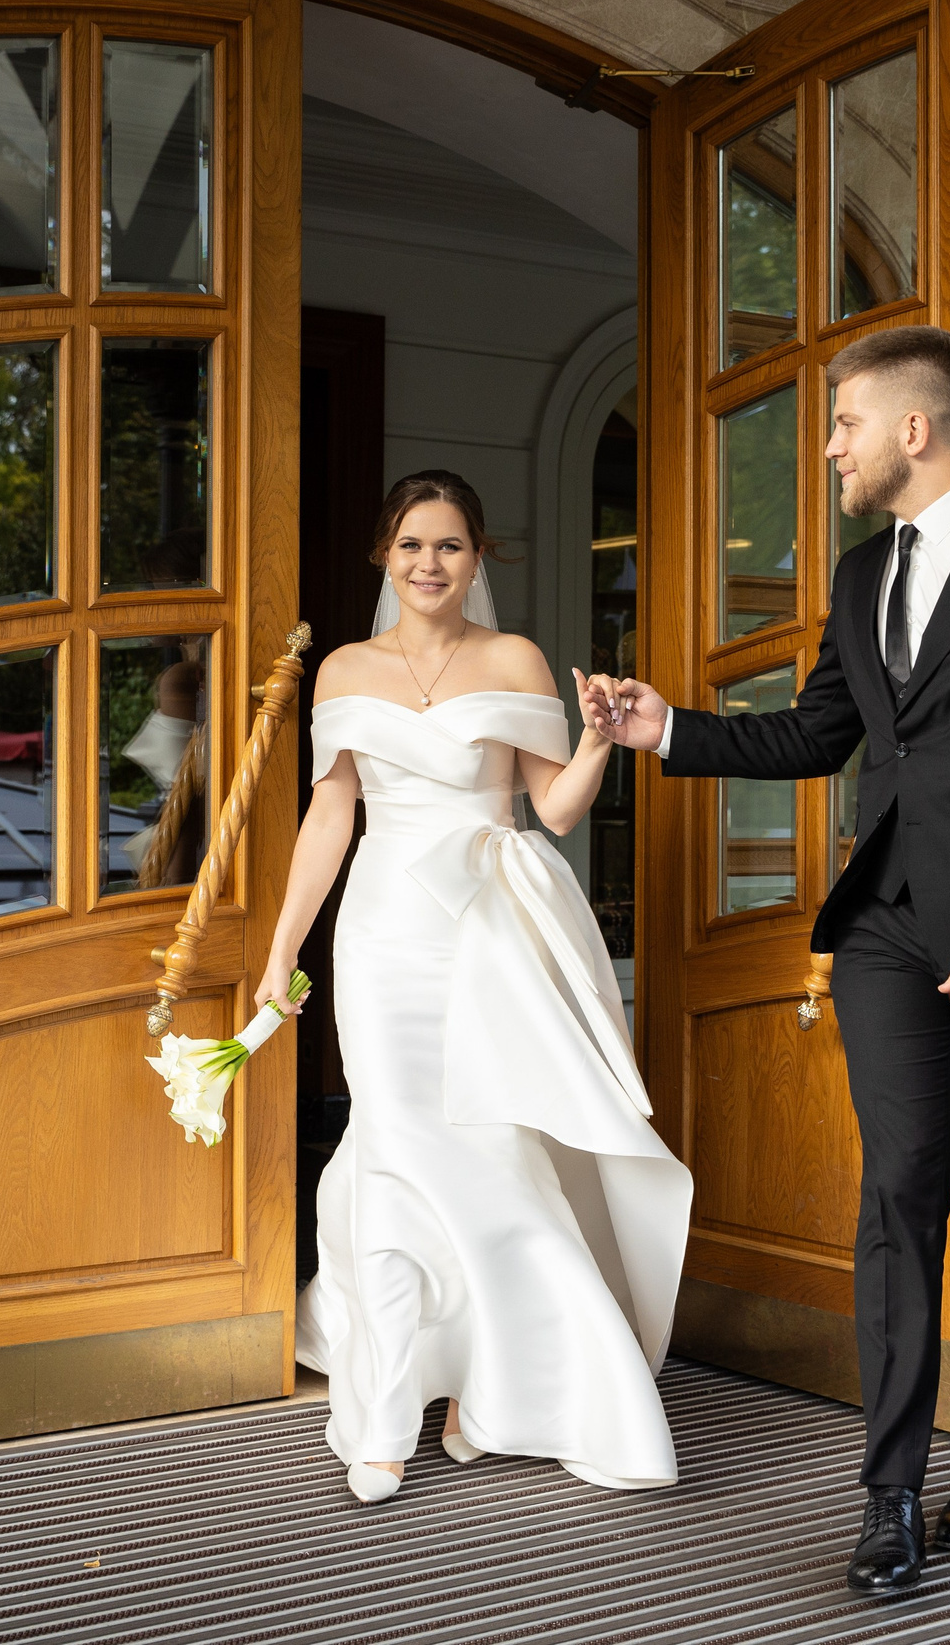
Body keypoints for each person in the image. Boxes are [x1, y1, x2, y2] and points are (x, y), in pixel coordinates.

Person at [581, 325, 950, 1592]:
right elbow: (825, 732)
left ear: (911, 430)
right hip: (883, 923)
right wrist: (672, 729)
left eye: (840, 425)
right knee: (897, 1194)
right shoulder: (856, 569)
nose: (826, 447)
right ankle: (886, 1493)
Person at [262, 469, 693, 1504]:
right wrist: (283, 955)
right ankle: (381, 1413)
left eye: (449, 545)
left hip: (487, 940)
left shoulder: (515, 659)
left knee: (496, 1152)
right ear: (384, 557)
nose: (428, 564)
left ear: (477, 556)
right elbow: (329, 817)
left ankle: (491, 1386)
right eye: (411, 545)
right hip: (380, 938)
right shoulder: (343, 672)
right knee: (396, 1145)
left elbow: (555, 812)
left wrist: (596, 737)